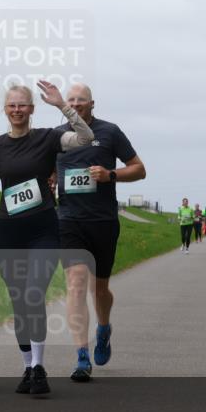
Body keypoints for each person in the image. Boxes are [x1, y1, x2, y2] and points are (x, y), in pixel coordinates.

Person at [0, 81, 93, 394]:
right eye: (12, 105)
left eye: (22, 105)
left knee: (33, 294)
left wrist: (62, 105)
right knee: (18, 301)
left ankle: (38, 366)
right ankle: (26, 367)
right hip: (8, 231)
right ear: (5, 110)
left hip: (43, 230)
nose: (17, 110)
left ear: (32, 109)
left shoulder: (47, 138)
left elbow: (86, 137)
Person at [54, 84, 145, 382]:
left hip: (103, 221)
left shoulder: (110, 132)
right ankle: (82, 355)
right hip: (69, 220)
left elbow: (139, 169)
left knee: (100, 289)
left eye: (81, 100)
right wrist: (49, 180)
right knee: (76, 284)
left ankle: (103, 328)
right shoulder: (57, 136)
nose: (75, 104)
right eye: (71, 100)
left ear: (92, 104)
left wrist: (110, 175)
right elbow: (49, 170)